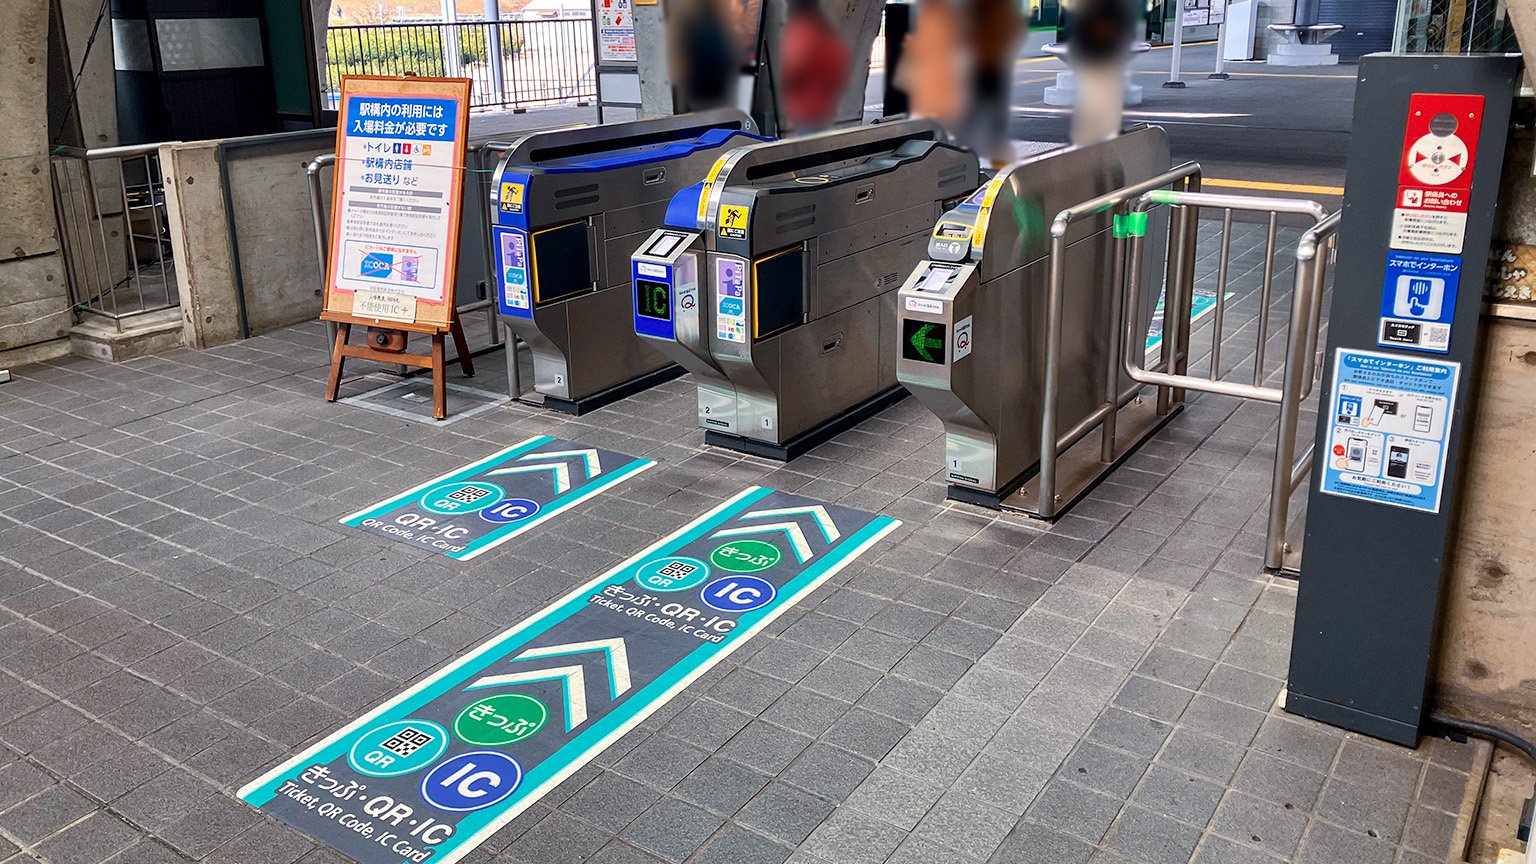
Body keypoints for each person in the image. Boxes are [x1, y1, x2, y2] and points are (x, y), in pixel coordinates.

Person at [1065, 0, 1135, 144]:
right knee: (1101, 103)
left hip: (1095, 58)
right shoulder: (1111, 7)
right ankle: (1099, 139)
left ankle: (1089, 140)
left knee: (1094, 102)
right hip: (1102, 58)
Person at [778, 0, 853, 131]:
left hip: (806, 108)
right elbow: (842, 61)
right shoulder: (824, 30)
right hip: (822, 106)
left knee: (809, 140)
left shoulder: (802, 28)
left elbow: (794, 67)